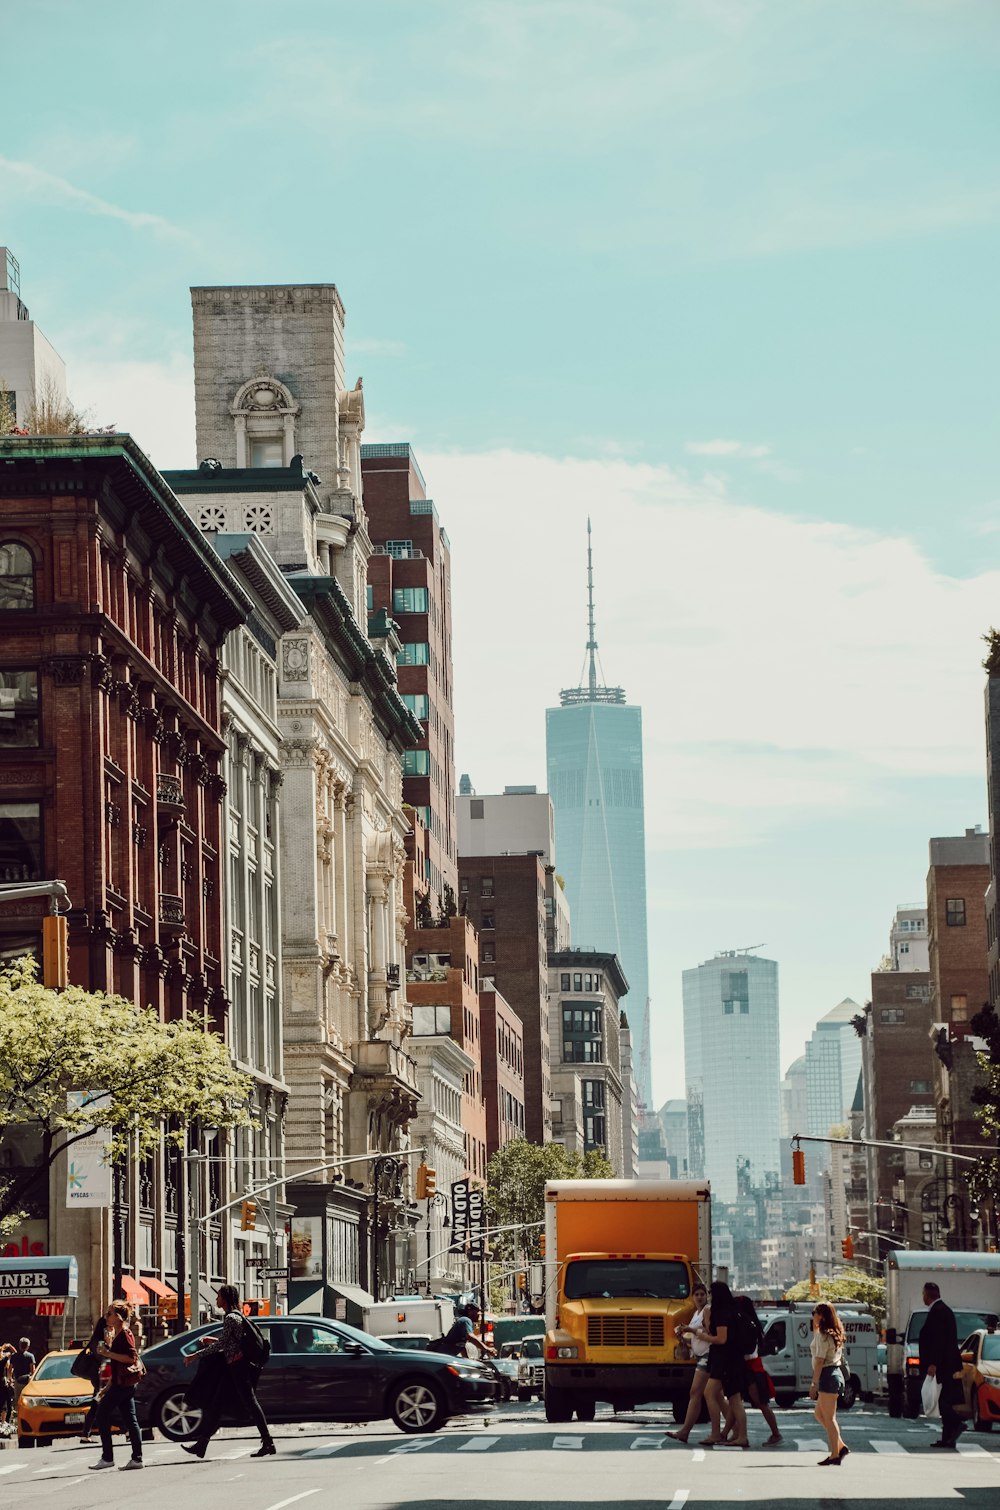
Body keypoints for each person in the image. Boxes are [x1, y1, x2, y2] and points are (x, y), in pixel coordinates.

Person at [181, 1284, 274, 1459]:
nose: (216, 1299)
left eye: (218, 1297)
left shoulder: (231, 1317)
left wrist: (195, 1355)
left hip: (239, 1368)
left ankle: (268, 1442)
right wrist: (213, 1340)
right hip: (234, 1367)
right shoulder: (236, 1316)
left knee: (251, 1404)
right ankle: (201, 1445)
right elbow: (230, 1341)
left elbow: (225, 1344)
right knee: (217, 1405)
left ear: (225, 1298)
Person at [88, 1300, 144, 1471]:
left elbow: (131, 1358)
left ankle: (108, 1457)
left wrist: (108, 1352)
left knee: (101, 1414)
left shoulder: (125, 1334)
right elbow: (119, 1365)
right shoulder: (118, 1333)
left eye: (110, 1314)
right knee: (130, 1420)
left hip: (123, 1385)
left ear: (119, 1317)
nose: (106, 1317)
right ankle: (136, 1459)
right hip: (121, 1383)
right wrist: (107, 1387)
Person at [699, 1281, 748, 1448]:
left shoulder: (722, 1313)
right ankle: (739, 1435)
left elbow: (721, 1339)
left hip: (725, 1360)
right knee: (734, 1399)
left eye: (711, 1293)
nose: (709, 1297)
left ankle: (717, 1433)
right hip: (732, 1359)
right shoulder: (732, 1310)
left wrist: (704, 1337)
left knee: (710, 1393)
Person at [727, 1296, 781, 1446]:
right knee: (735, 1401)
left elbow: (748, 1349)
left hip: (751, 1367)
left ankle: (776, 1434)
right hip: (751, 1366)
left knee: (759, 1403)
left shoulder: (746, 1324)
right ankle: (727, 1432)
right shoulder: (752, 1323)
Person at [919, 1281, 964, 1449]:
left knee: (944, 1401)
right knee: (944, 1400)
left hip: (943, 1365)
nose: (922, 1297)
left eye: (923, 1294)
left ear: (928, 1295)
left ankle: (956, 1424)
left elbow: (939, 1341)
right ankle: (948, 1438)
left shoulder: (938, 1312)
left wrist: (933, 1363)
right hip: (947, 1363)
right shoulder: (943, 1310)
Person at [666, 1282, 710, 1443]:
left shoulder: (707, 1310)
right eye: (697, 1294)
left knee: (695, 1393)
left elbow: (710, 1332)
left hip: (707, 1356)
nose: (699, 1297)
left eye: (702, 1294)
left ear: (706, 1296)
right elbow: (696, 1337)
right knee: (715, 1397)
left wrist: (690, 1330)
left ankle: (685, 1431)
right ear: (692, 1297)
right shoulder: (696, 1313)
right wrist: (683, 1338)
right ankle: (730, 1431)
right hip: (699, 1356)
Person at [809, 1302, 848, 1466]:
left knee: (830, 1418)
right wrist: (815, 1322)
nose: (813, 1316)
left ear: (822, 1316)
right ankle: (839, 1446)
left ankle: (835, 1454)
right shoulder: (828, 1333)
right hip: (833, 1374)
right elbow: (815, 1333)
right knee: (819, 1414)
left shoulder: (824, 1335)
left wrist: (814, 1384)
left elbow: (819, 1361)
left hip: (827, 1375)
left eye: (815, 1313)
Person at [11, 1336, 35, 1404]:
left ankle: (18, 1413)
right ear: (28, 1346)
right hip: (27, 1381)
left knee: (18, 1399)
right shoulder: (30, 1356)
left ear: (19, 1346)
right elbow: (33, 1370)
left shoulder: (14, 1356)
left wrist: (10, 1378)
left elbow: (10, 1368)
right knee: (27, 1400)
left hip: (17, 1380)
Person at [0, 1344, 16, 1436]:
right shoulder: (2, 1361)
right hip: (2, 1383)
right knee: (4, 1402)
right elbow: (15, 1353)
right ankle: (3, 1422)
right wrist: (9, 1346)